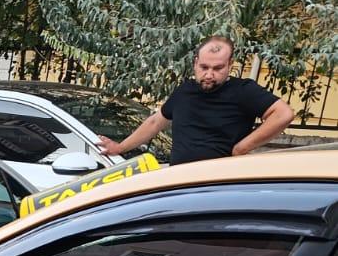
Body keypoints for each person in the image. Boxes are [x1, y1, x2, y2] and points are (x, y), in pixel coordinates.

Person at [98, 36, 296, 166]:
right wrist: (120, 148)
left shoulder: (243, 90)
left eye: (217, 68)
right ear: (195, 63)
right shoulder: (185, 91)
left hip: (218, 186)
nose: (209, 74)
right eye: (204, 67)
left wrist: (241, 148)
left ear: (230, 65)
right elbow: (154, 122)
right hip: (178, 181)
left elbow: (283, 114)